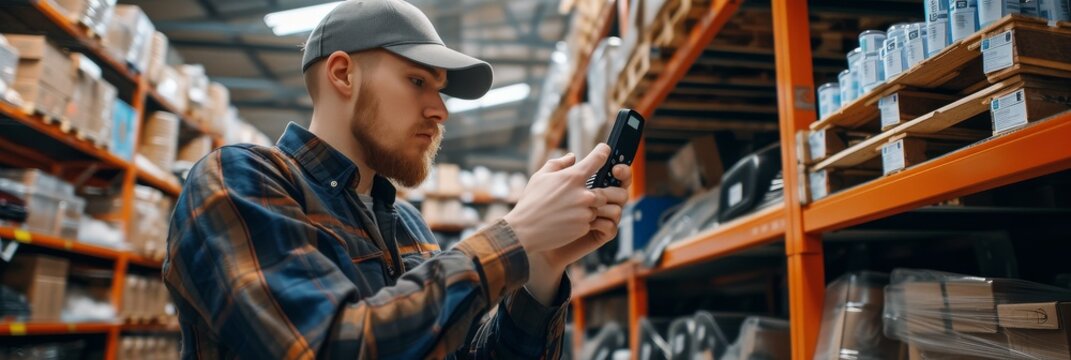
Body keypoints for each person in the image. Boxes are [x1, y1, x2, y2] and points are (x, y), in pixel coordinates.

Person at [162, 0, 632, 358]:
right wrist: (515, 235)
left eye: (440, 90)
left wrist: (542, 266)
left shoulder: (408, 226)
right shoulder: (239, 181)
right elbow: (328, 345)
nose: (440, 110)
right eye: (417, 81)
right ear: (343, 74)